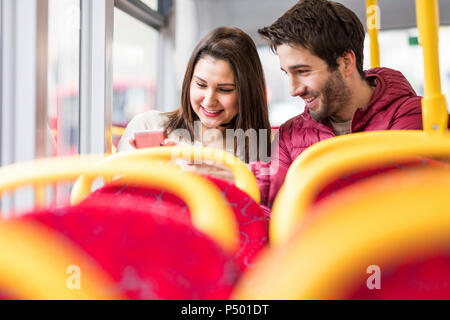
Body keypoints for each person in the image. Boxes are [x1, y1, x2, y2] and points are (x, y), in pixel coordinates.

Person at [256, 0, 431, 208]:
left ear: (345, 63)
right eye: (288, 73)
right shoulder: (289, 135)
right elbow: (273, 210)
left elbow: (401, 205)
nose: (294, 90)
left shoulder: (412, 115)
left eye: (303, 72)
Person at [118, 27, 271, 180]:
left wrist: (236, 179)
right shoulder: (148, 125)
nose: (209, 100)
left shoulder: (258, 157)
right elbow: (113, 195)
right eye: (201, 84)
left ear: (247, 93)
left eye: (224, 89)